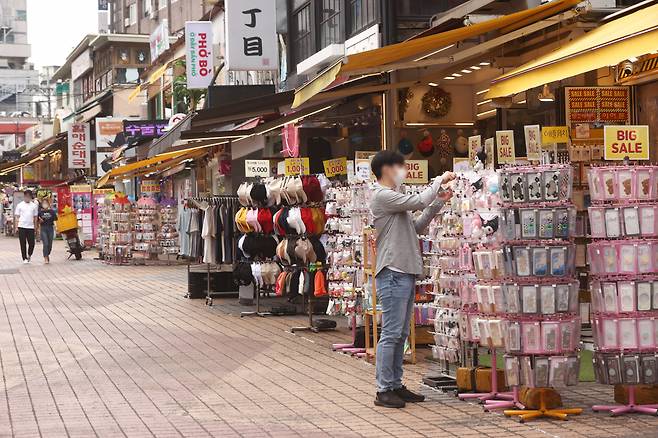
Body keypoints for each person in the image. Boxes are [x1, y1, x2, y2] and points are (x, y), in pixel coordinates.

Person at [369, 151, 454, 408]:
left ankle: (395, 384)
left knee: (401, 332)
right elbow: (418, 201)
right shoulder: (382, 195)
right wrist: (439, 180)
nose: (404, 170)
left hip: (403, 270)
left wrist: (438, 201)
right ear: (386, 169)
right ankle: (384, 389)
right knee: (392, 333)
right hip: (393, 271)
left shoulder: (394, 199)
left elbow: (416, 226)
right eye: (400, 166)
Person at [14, 190, 38, 264]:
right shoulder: (20, 205)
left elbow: (35, 217)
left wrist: (36, 227)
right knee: (22, 243)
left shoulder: (34, 206)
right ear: (24, 197)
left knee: (32, 243)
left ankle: (29, 254)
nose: (27, 198)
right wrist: (16, 227)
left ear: (31, 197)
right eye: (26, 196)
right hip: (22, 226)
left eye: (29, 196)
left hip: (30, 226)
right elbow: (17, 217)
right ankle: (24, 258)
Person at [38, 199, 57, 264]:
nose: (45, 204)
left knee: (50, 244)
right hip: (43, 228)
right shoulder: (40, 212)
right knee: (45, 243)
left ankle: (47, 253)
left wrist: (56, 227)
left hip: (50, 228)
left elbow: (55, 220)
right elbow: (38, 221)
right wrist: (40, 221)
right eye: (43, 203)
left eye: (46, 203)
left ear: (48, 204)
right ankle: (45, 257)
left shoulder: (52, 212)